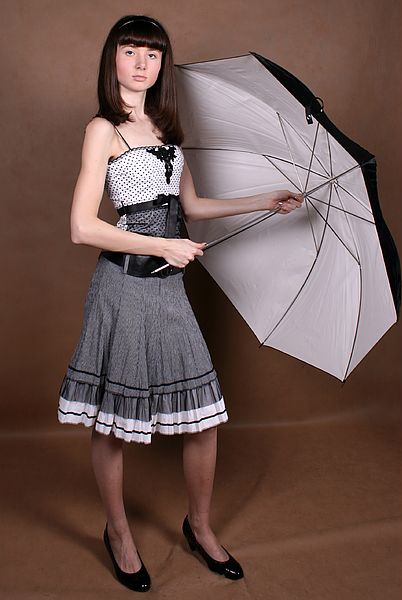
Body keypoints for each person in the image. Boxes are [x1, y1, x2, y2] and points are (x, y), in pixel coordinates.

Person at [57, 14, 303, 593]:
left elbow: (189, 205)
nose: (142, 62)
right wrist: (160, 243)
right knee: (113, 424)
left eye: (153, 53)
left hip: (168, 291)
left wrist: (262, 201)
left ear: (163, 64)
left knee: (204, 419)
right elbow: (80, 228)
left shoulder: (168, 129)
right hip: (121, 287)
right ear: (112, 58)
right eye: (130, 50)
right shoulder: (103, 130)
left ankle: (199, 526)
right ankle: (117, 532)